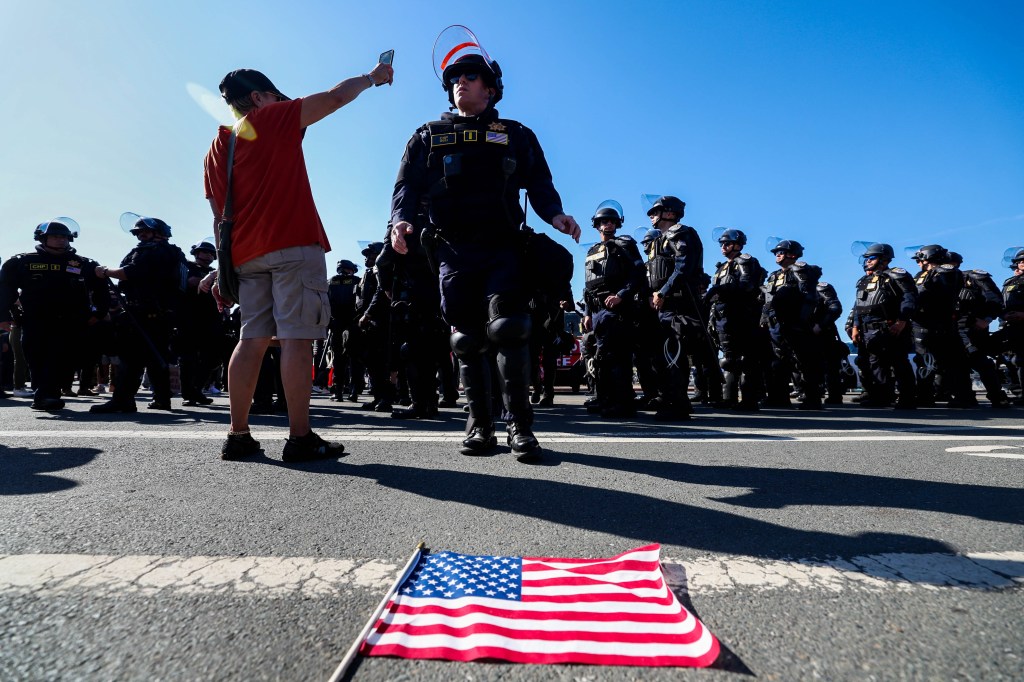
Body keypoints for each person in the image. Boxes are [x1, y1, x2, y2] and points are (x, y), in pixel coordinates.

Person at [389, 34, 580, 461]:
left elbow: (541, 184)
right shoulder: (427, 136)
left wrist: (556, 216)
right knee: (466, 338)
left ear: (491, 88)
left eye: (472, 77)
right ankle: (479, 424)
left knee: (509, 329)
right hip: (453, 251)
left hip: (504, 247)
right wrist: (399, 221)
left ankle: (521, 427)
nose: (462, 83)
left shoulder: (516, 135)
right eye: (455, 78)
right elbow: (406, 186)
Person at [203, 62, 392, 461]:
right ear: (258, 98)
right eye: (274, 95)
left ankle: (238, 435)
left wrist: (224, 270)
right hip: (292, 245)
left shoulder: (218, 146)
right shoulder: (271, 117)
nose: (280, 101)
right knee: (296, 339)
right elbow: (336, 97)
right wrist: (373, 77)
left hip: (246, 256)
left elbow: (218, 216)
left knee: (250, 340)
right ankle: (300, 437)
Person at [0, 218, 108, 411]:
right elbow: (5, 291)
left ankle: (48, 393)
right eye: (55, 236)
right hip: (35, 321)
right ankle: (44, 396)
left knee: (65, 360)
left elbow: (101, 291)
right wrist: (3, 317)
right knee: (38, 358)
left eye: (64, 237)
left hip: (71, 322)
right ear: (43, 238)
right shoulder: (22, 262)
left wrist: (99, 314)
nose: (61, 240)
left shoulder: (84, 264)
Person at [92, 216, 188, 413]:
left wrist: (105, 271)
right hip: (164, 313)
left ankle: (123, 400)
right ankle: (162, 399)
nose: (140, 235)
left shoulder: (150, 250)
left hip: (143, 311)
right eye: (138, 232)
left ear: (158, 232)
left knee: (131, 358)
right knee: (156, 356)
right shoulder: (174, 253)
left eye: (145, 231)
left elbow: (131, 272)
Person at [582, 200, 647, 418]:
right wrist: (586, 314)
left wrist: (621, 295)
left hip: (618, 309)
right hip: (598, 311)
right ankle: (605, 399)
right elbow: (589, 287)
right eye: (603, 221)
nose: (607, 225)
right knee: (601, 358)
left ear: (617, 224)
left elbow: (638, 274)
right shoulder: (592, 250)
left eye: (611, 221)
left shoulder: (625, 244)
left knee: (618, 357)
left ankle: (622, 403)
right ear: (597, 224)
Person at [644, 196, 705, 420]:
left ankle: (677, 403)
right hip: (664, 304)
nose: (651, 215)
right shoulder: (660, 240)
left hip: (679, 304)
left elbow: (682, 268)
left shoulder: (681, 233)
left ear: (669, 213)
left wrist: (663, 292)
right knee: (663, 353)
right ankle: (672, 396)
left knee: (673, 353)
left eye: (656, 211)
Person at [848, 243, 917, 408]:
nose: (868, 262)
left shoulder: (896, 275)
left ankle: (908, 399)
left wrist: (902, 321)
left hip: (891, 327)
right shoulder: (865, 280)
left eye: (871, 258)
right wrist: (856, 326)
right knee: (875, 364)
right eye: (866, 259)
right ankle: (881, 396)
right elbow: (859, 306)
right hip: (867, 330)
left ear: (884, 259)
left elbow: (910, 298)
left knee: (899, 363)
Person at [707, 228, 767, 410]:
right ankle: (729, 397)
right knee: (729, 359)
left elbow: (747, 285)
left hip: (742, 316)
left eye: (727, 243)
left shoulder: (745, 261)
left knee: (747, 359)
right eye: (721, 244)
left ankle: (749, 400)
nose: (723, 247)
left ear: (737, 245)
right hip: (723, 317)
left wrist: (720, 290)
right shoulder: (722, 267)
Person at [909, 245, 973, 407]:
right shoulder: (921, 275)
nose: (918, 262)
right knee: (924, 359)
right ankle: (925, 395)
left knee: (951, 361)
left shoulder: (948, 272)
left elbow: (942, 293)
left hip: (940, 322)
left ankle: (962, 396)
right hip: (922, 322)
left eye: (921, 258)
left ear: (929, 257)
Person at [948, 251, 1011, 408]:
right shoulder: (939, 281)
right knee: (957, 363)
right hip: (950, 328)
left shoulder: (974, 277)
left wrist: (987, 319)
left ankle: (997, 397)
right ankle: (965, 397)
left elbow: (996, 300)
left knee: (979, 361)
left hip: (972, 327)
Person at [178, 240, 221, 406]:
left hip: (211, 319)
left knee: (211, 358)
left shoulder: (213, 271)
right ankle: (189, 393)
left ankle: (196, 390)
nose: (209, 255)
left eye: (211, 253)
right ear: (196, 253)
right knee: (188, 358)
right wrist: (210, 279)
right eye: (205, 252)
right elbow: (191, 281)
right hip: (190, 318)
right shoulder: (187, 267)